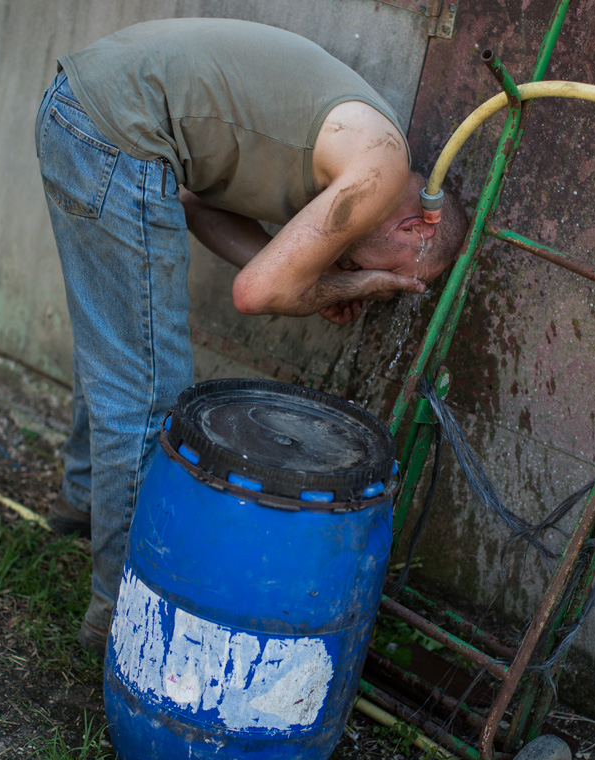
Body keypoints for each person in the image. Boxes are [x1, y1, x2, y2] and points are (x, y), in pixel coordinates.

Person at [34, 17, 467, 656]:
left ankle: (80, 499)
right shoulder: (380, 162)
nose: (365, 273)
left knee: (126, 345)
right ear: (419, 228)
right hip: (114, 130)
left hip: (90, 109)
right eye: (394, 274)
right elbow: (256, 293)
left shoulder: (340, 164)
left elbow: (196, 202)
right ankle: (121, 618)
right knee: (150, 392)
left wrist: (315, 280)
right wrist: (346, 286)